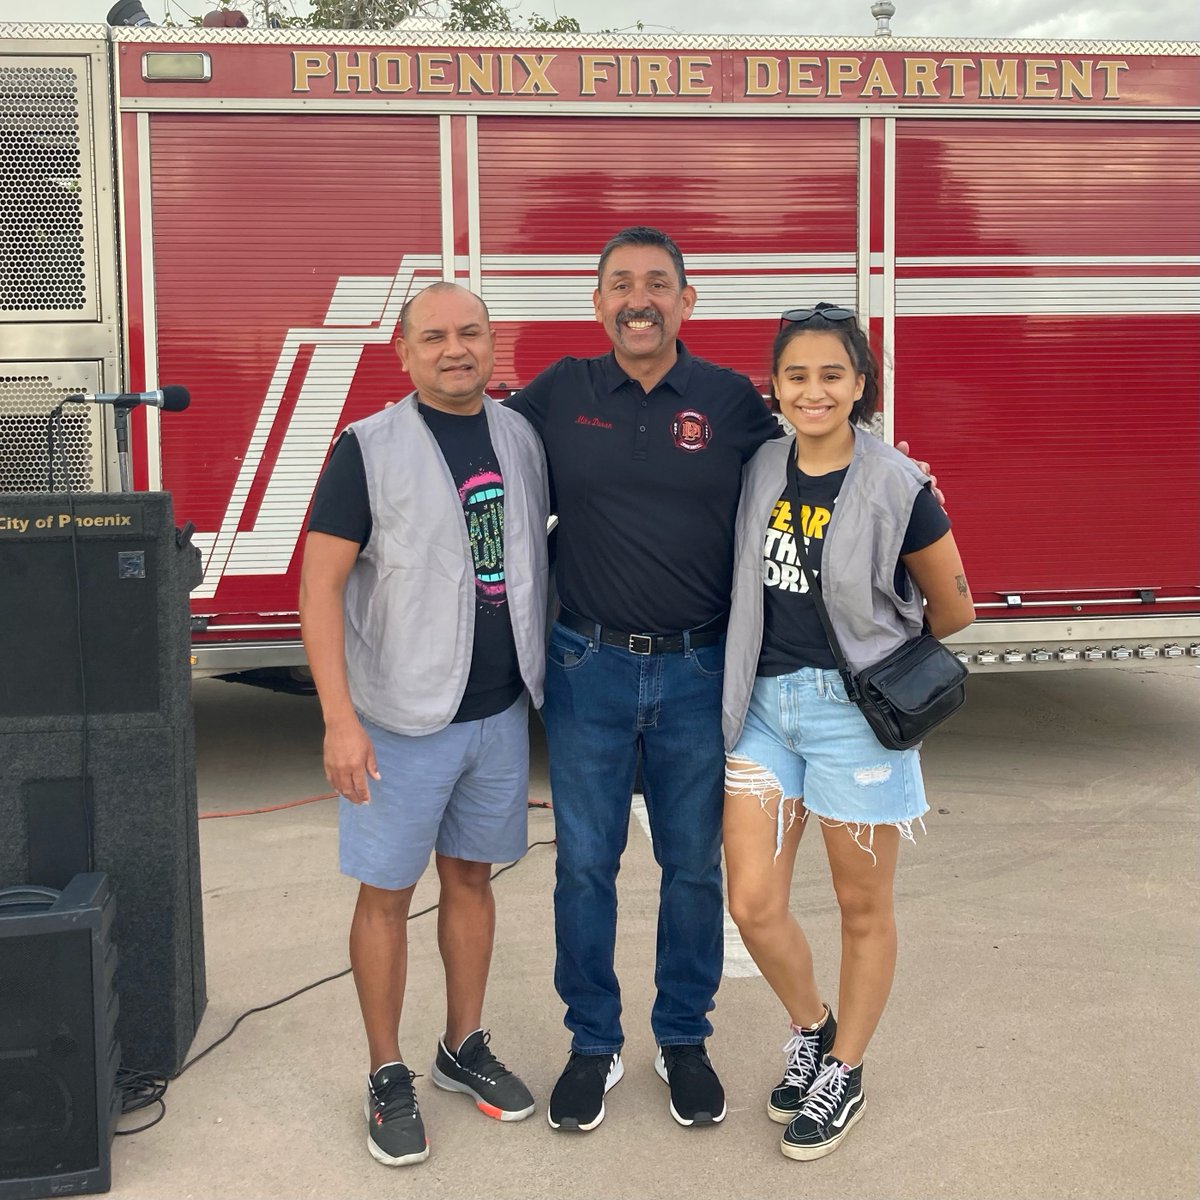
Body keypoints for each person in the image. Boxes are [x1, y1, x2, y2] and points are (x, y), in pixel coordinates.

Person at [299, 283, 550, 1167]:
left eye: (471, 332)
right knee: (386, 895)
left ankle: (462, 1046)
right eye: (434, 336)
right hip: (399, 720)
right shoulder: (366, 449)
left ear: (493, 342)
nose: (456, 348)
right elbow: (319, 587)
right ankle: (386, 1071)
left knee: (472, 881)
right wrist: (338, 719)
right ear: (402, 353)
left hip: (495, 710)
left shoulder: (520, 437)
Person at [721, 304, 975, 1161]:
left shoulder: (899, 483)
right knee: (753, 903)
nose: (814, 390)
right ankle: (813, 1026)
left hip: (853, 716)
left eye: (833, 374)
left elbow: (955, 608)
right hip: (763, 708)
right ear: (777, 388)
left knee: (862, 908)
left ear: (861, 385)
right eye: (797, 375)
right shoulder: (757, 466)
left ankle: (847, 1070)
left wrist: (885, 657)